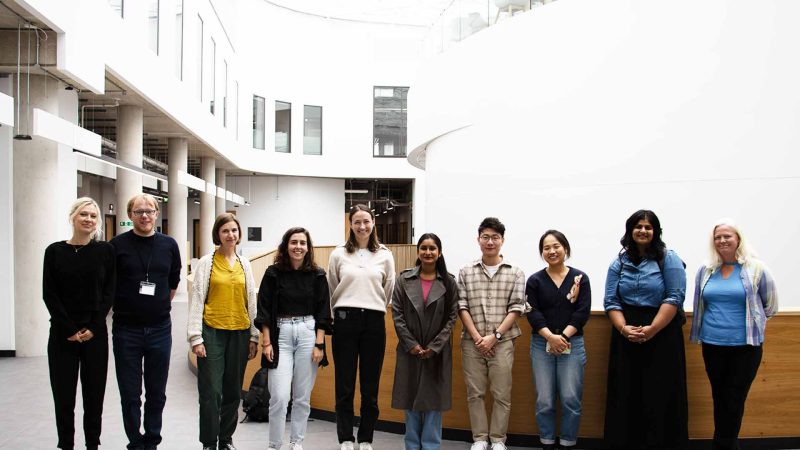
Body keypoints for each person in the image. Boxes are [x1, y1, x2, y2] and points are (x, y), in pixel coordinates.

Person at [603, 209, 688, 450]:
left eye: (648, 227)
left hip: (662, 333)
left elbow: (674, 297)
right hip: (625, 332)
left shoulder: (668, 258)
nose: (643, 231)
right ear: (630, 230)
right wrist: (622, 328)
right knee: (626, 392)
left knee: (659, 392)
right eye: (638, 226)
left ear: (655, 232)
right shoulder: (618, 262)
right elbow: (611, 300)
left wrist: (651, 330)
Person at [689, 219, 778, 450]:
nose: (722, 240)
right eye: (718, 237)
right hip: (713, 345)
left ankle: (724, 445)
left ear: (738, 239)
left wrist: (749, 324)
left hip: (745, 347)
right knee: (719, 397)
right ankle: (725, 444)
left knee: (734, 398)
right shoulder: (706, 270)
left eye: (727, 236)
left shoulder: (757, 269)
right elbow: (700, 303)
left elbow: (770, 306)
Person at [43, 197, 115, 450]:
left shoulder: (105, 251)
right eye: (84, 214)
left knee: (94, 398)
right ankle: (66, 445)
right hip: (62, 336)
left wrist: (93, 327)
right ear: (73, 217)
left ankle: (92, 445)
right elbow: (49, 294)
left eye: (93, 216)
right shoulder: (54, 251)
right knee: (63, 397)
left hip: (95, 335)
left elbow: (109, 293)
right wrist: (70, 329)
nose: (89, 219)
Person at [111, 193, 182, 450]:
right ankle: (135, 442)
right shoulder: (116, 246)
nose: (144, 216)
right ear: (130, 215)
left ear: (156, 214)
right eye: (138, 211)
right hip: (125, 330)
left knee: (156, 392)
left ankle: (152, 440)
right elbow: (109, 284)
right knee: (130, 394)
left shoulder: (169, 245)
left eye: (149, 211)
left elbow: (173, 281)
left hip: (160, 329)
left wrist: (158, 305)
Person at [187, 213, 259, 450]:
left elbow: (251, 301)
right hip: (212, 333)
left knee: (232, 391)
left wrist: (254, 335)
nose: (231, 235)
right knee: (211, 391)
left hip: (239, 333)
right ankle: (209, 441)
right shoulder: (207, 263)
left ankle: (225, 440)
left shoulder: (244, 263)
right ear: (217, 234)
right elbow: (197, 298)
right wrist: (195, 336)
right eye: (225, 230)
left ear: (239, 235)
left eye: (234, 231)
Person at [255, 227, 332, 450]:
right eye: (293, 242)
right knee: (279, 396)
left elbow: (323, 313)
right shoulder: (273, 273)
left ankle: (296, 442)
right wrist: (266, 342)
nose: (298, 247)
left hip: (308, 334)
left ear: (308, 248)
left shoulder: (318, 275)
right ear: (286, 246)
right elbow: (264, 310)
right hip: (280, 335)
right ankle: (274, 444)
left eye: (302, 243)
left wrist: (320, 344)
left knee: (302, 397)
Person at [328, 205, 396, 450]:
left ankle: (366, 438)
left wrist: (372, 306)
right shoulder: (338, 254)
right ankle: (346, 438)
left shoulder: (385, 255)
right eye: (357, 222)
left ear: (373, 223)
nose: (362, 226)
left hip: (374, 321)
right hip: (345, 320)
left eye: (366, 221)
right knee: (344, 384)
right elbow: (332, 286)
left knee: (370, 386)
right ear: (350, 224)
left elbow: (388, 289)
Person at [457, 217, 528, 450]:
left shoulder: (515, 272)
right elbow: (462, 306)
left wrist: (494, 337)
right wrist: (478, 337)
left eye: (495, 237)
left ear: (502, 241)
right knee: (474, 393)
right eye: (485, 237)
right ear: (478, 239)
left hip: (503, 342)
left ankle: (498, 440)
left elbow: (516, 308)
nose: (490, 242)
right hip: (471, 342)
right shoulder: (466, 271)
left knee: (501, 394)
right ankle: (479, 438)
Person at [391, 233, 458, 450]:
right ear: (418, 252)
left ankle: (430, 446)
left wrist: (434, 347)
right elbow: (397, 315)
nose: (428, 252)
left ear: (439, 252)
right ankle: (411, 446)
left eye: (432, 248)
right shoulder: (404, 280)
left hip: (436, 352)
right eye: (423, 248)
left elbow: (452, 318)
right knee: (410, 402)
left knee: (433, 405)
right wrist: (411, 345)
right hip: (410, 350)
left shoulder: (449, 282)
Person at [525, 230, 590, 450]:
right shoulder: (534, 280)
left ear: (565, 248)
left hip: (572, 343)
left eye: (556, 246)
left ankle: (568, 442)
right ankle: (547, 442)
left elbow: (582, 312)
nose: (551, 251)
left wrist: (561, 337)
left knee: (571, 398)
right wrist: (550, 337)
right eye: (546, 248)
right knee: (544, 400)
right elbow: (532, 312)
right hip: (541, 344)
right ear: (541, 252)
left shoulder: (580, 278)